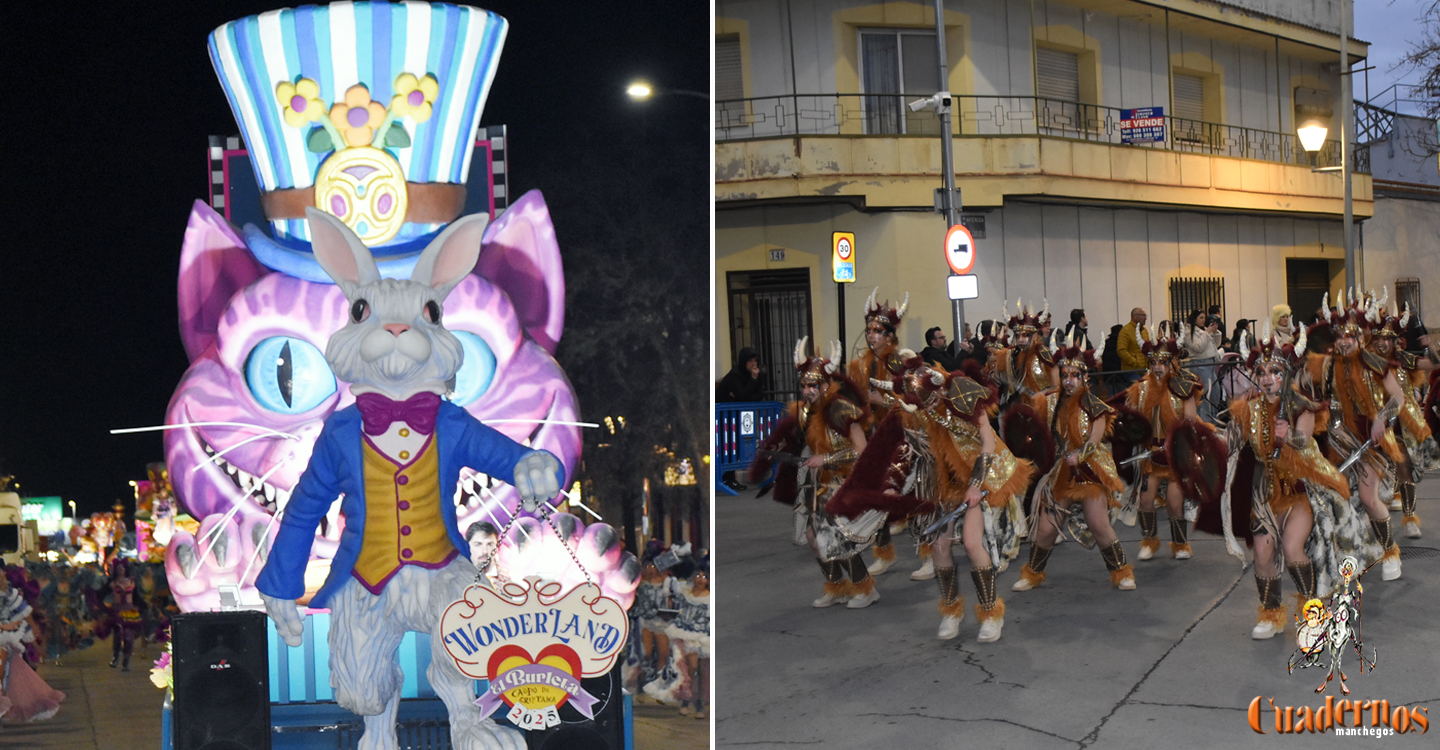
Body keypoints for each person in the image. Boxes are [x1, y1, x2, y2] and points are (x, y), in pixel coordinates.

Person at [1219, 327, 1383, 640]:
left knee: (1293, 548)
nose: (1267, 378)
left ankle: (1313, 611)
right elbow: (1229, 443)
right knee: (1263, 554)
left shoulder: (1300, 406)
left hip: (1299, 493)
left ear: (1286, 375)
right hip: (1265, 493)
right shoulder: (1247, 409)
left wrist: (1288, 436)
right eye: (1261, 372)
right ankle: (1271, 613)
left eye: (1274, 372)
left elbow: (1304, 439)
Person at [755, 337, 879, 608]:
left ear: (826, 385)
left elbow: (863, 451)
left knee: (836, 536)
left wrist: (828, 458)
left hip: (849, 478)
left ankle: (865, 587)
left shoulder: (841, 409)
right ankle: (837, 587)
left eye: (813, 385)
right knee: (813, 537)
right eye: (803, 386)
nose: (807, 391)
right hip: (820, 482)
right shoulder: (805, 413)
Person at [1012, 334, 1137, 593]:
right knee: (1046, 528)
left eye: (1075, 375)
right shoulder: (1052, 402)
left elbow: (1095, 439)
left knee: (1097, 522)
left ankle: (1122, 572)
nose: (1069, 380)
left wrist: (1080, 455)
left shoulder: (1095, 405)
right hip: (1064, 470)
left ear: (1085, 377)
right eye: (1065, 374)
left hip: (1091, 469)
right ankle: (1032, 573)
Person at [1300, 291, 1408, 580]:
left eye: (1351, 335)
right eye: (1340, 336)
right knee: (1339, 502)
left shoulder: (1375, 362)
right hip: (1334, 441)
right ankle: (1349, 555)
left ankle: (1390, 551)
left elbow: (1399, 398)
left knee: (1368, 497)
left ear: (1361, 337)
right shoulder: (1325, 364)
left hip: (1369, 440)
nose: (1345, 341)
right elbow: (1301, 386)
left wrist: (1381, 419)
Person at [1124, 328, 1208, 561]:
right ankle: (1149, 541)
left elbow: (1191, 424)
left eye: (1162, 362)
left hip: (1175, 455)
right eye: (1153, 362)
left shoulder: (1184, 389)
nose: (1158, 367)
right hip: (1149, 455)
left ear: (1172, 363)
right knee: (1146, 500)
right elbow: (1133, 421)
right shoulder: (1140, 389)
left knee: (1173, 503)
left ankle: (1180, 544)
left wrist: (1180, 446)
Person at [848, 289, 911, 576]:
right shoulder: (858, 364)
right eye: (869, 330)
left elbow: (910, 402)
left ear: (889, 335)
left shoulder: (898, 363)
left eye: (878, 331)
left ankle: (929, 556)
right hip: (872, 435)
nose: (871, 335)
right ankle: (884, 553)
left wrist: (881, 401)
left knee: (914, 494)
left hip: (902, 435)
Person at [1367, 298, 1438, 538]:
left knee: (1405, 467)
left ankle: (1409, 517)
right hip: (1374, 425)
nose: (1383, 343)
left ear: (1395, 341)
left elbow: (1432, 363)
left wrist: (1431, 346)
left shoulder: (1404, 358)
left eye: (1387, 339)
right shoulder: (1365, 364)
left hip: (1402, 425)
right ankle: (1371, 519)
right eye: (1378, 339)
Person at [1, 565, 65, 724]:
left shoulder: (9, 595)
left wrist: (33, 629)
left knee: (4, 674)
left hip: (5, 639)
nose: (4, 576)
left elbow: (23, 611)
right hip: (6, 634)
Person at [666, 559, 710, 720]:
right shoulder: (686, 591)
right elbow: (671, 590)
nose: (700, 579)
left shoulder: (710, 598)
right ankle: (686, 699)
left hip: (705, 637)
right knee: (691, 668)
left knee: (704, 672)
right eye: (697, 575)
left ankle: (700, 704)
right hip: (687, 634)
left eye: (704, 576)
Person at [718, 346, 765, 491]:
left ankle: (729, 478)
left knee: (738, 446)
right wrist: (751, 383)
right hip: (725, 418)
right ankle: (727, 478)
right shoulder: (735, 375)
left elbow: (758, 395)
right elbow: (743, 395)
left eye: (755, 361)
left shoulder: (754, 375)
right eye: (750, 361)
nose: (754, 364)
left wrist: (745, 394)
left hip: (740, 416)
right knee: (728, 446)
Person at [1182, 309, 1223, 422]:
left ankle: (1214, 419)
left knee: (1215, 393)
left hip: (1210, 364)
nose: (1203, 320)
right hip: (1200, 365)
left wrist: (1216, 332)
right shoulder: (1188, 331)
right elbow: (1198, 348)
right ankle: (1205, 422)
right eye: (1201, 318)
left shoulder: (1203, 331)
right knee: (1205, 395)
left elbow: (1216, 344)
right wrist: (1207, 333)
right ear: (1194, 319)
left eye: (1204, 318)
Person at [1117, 307, 1151, 385]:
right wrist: (1134, 362)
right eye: (1143, 315)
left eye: (1146, 315)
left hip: (1144, 370)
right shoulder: (1125, 331)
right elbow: (1121, 350)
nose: (1145, 318)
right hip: (1131, 371)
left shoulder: (1145, 331)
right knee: (1138, 392)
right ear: (1134, 316)